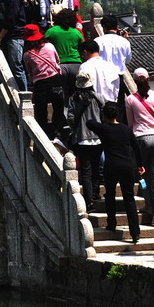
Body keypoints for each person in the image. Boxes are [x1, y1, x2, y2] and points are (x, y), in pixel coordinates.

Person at [87, 101, 144, 244]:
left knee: (110, 195)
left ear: (104, 115)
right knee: (129, 199)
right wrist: (140, 164)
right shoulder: (125, 129)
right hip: (128, 166)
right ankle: (135, 232)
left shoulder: (104, 129)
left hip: (111, 166)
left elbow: (89, 123)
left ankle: (111, 223)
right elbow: (136, 147)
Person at [125, 68, 154, 225]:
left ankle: (149, 206)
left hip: (140, 138)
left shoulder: (130, 100)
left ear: (134, 81)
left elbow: (130, 125)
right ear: (149, 78)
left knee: (142, 174)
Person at [67, 71, 104, 210]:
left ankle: (89, 201)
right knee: (96, 168)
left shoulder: (73, 99)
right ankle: (96, 193)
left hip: (82, 139)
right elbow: (104, 112)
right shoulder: (98, 97)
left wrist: (75, 128)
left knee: (86, 171)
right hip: (98, 138)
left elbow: (70, 117)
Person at [22, 24, 65, 137]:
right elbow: (57, 60)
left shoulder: (27, 55)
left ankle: (45, 134)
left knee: (41, 111)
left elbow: (30, 72)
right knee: (58, 108)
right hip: (55, 80)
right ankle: (58, 131)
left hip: (40, 84)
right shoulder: (50, 46)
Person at [45, 8, 84, 103]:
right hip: (76, 65)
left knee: (60, 95)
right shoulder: (76, 33)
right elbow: (82, 49)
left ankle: (63, 114)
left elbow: (43, 47)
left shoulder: (51, 31)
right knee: (75, 94)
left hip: (59, 66)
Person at [78, 39, 121, 104]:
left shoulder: (84, 66)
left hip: (93, 104)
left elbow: (82, 86)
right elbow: (116, 86)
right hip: (110, 104)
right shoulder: (111, 66)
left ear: (85, 52)